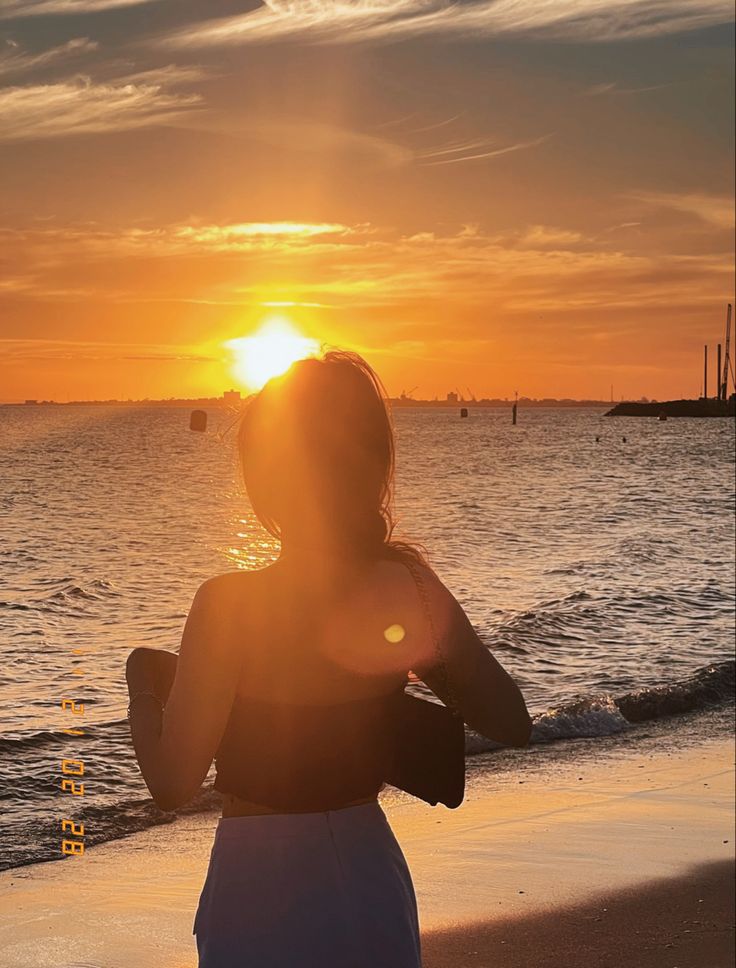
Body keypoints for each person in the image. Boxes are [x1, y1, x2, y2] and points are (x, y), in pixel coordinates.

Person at [126, 349, 532, 967]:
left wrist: (141, 686)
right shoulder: (411, 586)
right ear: (372, 466)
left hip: (259, 887)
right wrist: (422, 674)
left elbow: (172, 784)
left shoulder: (229, 604)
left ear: (267, 472)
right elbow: (511, 719)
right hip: (371, 876)